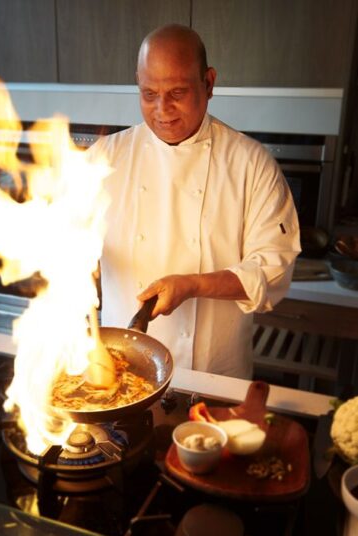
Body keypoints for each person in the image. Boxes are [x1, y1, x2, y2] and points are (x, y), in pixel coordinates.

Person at [86, 24, 300, 379]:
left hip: (213, 375)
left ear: (209, 83)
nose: (162, 109)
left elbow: (273, 269)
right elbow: (67, 238)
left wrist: (193, 285)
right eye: (149, 93)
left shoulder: (250, 163)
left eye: (177, 92)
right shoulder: (104, 158)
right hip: (119, 370)